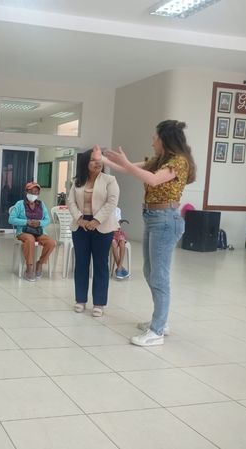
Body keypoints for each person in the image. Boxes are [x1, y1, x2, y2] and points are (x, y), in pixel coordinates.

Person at [104, 120, 196, 347]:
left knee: (159, 276)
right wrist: (104, 160)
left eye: (155, 136)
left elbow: (153, 180)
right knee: (149, 271)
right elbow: (128, 169)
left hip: (166, 220)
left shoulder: (179, 162)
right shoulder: (159, 160)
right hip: (153, 218)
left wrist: (126, 163)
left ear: (165, 139)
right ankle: (160, 321)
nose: (152, 140)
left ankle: (157, 330)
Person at [68, 148, 119, 317]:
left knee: (100, 264)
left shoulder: (110, 180)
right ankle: (80, 300)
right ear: (85, 163)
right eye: (93, 160)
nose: (97, 163)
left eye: (99, 160)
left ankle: (99, 303)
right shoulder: (77, 181)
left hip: (102, 226)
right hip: (80, 225)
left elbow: (112, 202)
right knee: (81, 263)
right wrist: (79, 219)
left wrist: (96, 220)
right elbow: (71, 202)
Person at [9, 182, 56, 281]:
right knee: (30, 239)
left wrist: (39, 223)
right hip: (23, 231)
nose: (34, 194)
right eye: (31, 192)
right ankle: (29, 267)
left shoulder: (41, 204)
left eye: (36, 192)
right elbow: (11, 219)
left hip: (38, 231)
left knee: (51, 242)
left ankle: (40, 263)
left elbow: (47, 219)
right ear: (26, 192)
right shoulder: (20, 204)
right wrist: (26, 222)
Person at [112, 207, 130, 280]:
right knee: (114, 244)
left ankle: (119, 268)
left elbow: (119, 223)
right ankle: (120, 268)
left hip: (117, 232)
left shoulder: (118, 209)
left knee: (122, 242)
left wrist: (119, 223)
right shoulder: (106, 209)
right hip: (109, 233)